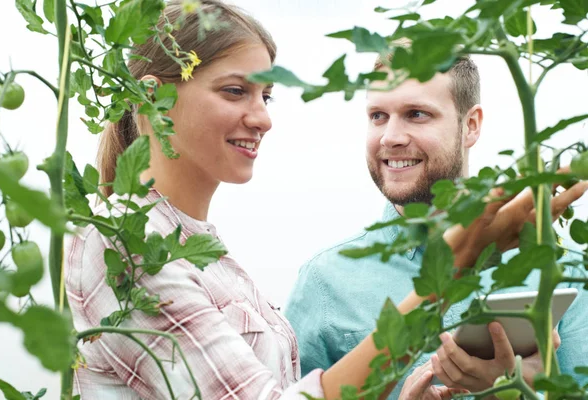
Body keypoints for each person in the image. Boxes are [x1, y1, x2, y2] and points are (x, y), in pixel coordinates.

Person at [64, 2, 586, 399]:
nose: (263, 117)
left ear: (472, 126)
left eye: (265, 96)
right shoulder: (126, 243)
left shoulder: (206, 254)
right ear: (153, 98)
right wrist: (451, 266)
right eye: (234, 91)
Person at [284, 50, 588, 399]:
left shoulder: (564, 268)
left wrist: (529, 390)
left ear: (470, 125)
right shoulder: (325, 282)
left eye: (416, 114)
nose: (390, 137)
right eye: (378, 116)